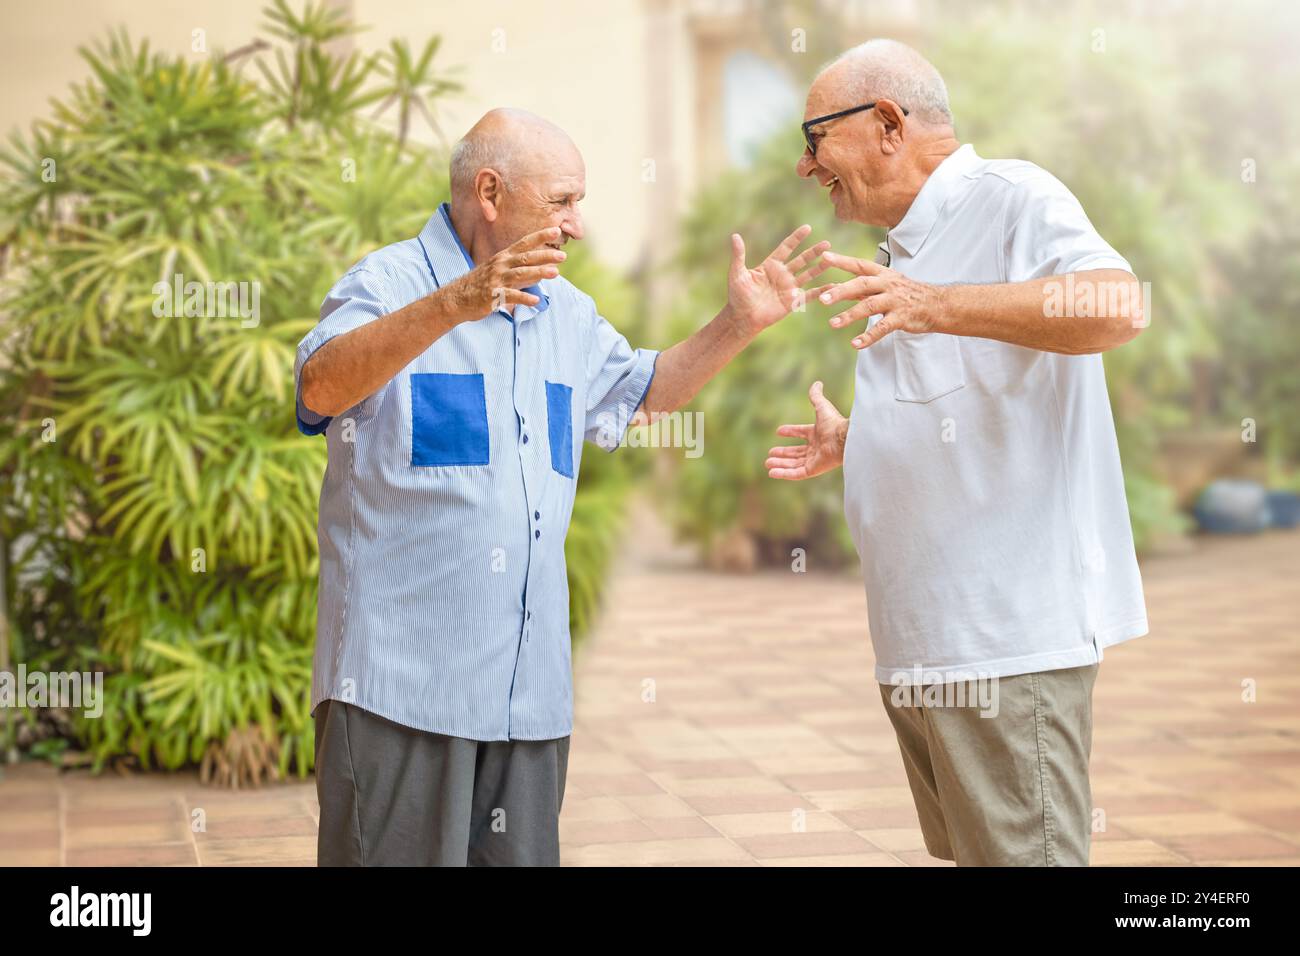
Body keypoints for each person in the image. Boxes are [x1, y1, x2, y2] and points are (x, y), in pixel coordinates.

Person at [296, 107, 828, 866]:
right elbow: (320, 388)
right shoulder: (386, 283)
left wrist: (736, 324)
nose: (577, 224)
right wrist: (458, 303)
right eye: (562, 201)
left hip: (526, 700)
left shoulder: (567, 314)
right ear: (489, 192)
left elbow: (642, 394)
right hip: (400, 693)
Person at [767, 40, 1149, 866]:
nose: (806, 167)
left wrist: (934, 304)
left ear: (889, 124)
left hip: (1007, 645)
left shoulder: (1011, 198)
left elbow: (1118, 306)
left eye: (815, 138)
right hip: (924, 645)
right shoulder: (903, 249)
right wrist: (858, 440)